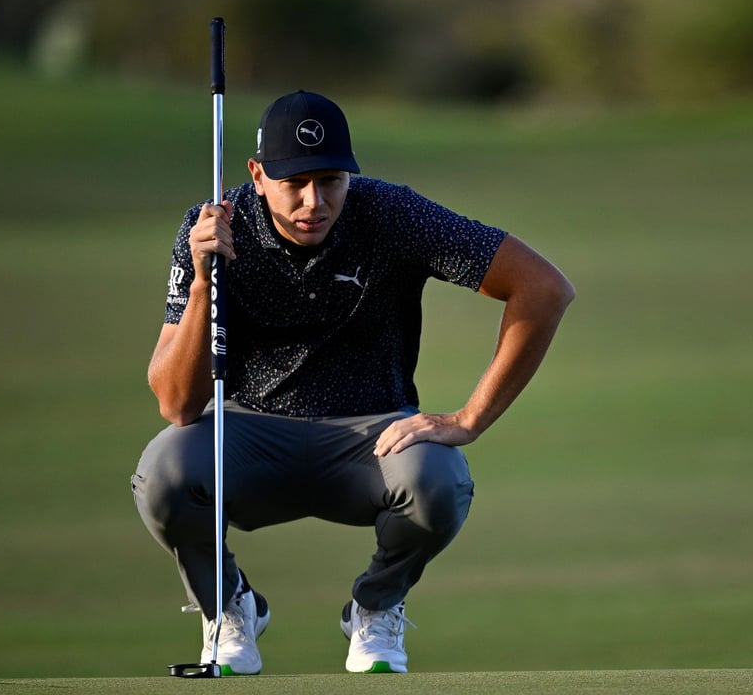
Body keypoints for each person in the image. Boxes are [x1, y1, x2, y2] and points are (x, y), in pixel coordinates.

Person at [132, 90, 575, 675]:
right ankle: (228, 609)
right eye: (295, 183)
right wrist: (202, 286)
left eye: (331, 181)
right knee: (163, 471)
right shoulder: (213, 226)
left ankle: (376, 607)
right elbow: (175, 402)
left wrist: (469, 419)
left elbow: (543, 288)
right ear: (258, 175)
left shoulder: (390, 213)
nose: (315, 202)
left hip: (372, 437)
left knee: (438, 479)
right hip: (250, 433)